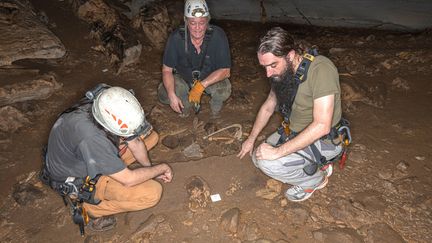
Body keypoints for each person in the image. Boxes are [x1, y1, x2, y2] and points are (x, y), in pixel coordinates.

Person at [41, 84, 173, 232]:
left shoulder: (104, 100)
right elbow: (128, 180)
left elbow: (134, 140)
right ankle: (92, 209)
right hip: (80, 178)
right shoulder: (92, 139)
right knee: (152, 193)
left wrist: (149, 170)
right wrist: (160, 168)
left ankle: (116, 169)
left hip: (77, 156)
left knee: (149, 137)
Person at [238, 27, 349, 202]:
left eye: (273, 65)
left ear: (290, 55)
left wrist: (278, 152)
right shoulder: (283, 73)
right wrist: (251, 138)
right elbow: (268, 106)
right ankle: (316, 165)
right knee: (257, 156)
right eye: (264, 67)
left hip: (324, 139)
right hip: (294, 131)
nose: (268, 73)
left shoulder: (321, 69)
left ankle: (315, 180)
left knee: (268, 163)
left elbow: (322, 125)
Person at [158, 0, 231, 118]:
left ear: (207, 21)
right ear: (186, 21)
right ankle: (184, 107)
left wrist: (200, 86)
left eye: (202, 22)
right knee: (164, 94)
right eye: (192, 23)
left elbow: (225, 71)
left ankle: (215, 112)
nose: (197, 28)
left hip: (208, 77)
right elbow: (167, 70)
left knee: (224, 89)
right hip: (184, 78)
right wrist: (172, 95)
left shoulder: (218, 35)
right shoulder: (176, 38)